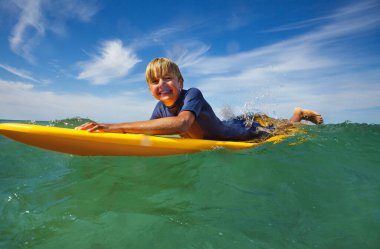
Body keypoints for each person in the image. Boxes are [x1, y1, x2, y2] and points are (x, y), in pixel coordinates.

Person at [76, 58, 323, 141]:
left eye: (167, 79)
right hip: (224, 126)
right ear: (149, 88)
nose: (161, 85)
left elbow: (182, 125)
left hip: (241, 132)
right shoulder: (160, 108)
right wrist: (104, 134)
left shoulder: (192, 94)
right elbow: (149, 131)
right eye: (154, 81)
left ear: (180, 82)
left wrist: (111, 126)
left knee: (284, 132)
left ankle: (299, 113)